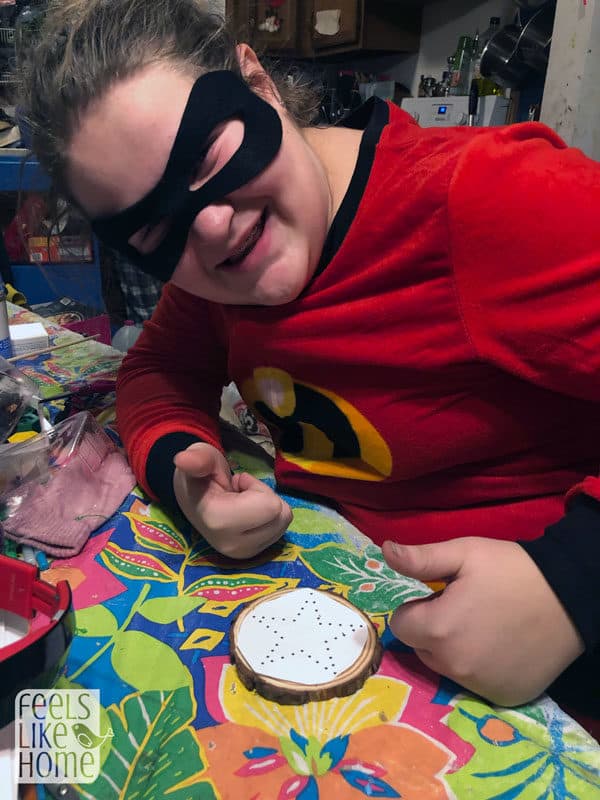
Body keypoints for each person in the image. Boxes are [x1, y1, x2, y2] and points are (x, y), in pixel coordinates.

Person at [20, 0, 600, 719]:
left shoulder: (487, 201)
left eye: (208, 156)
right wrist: (183, 470)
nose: (209, 225)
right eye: (154, 226)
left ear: (257, 83)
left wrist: (574, 582)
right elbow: (158, 369)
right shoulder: (217, 278)